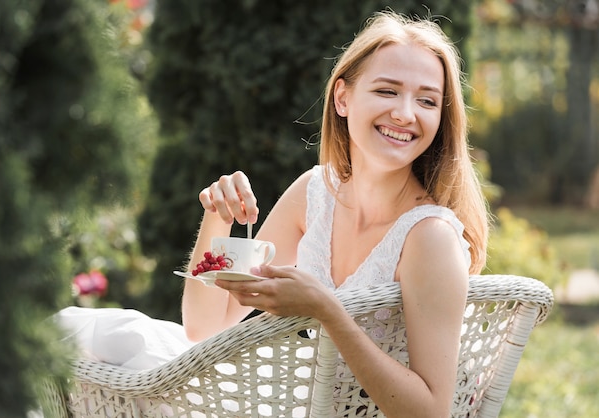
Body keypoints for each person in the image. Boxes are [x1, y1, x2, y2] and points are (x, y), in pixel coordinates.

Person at [54, 10, 489, 417]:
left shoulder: (430, 237)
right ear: (342, 97)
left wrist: (328, 312)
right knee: (97, 337)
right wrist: (219, 219)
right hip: (283, 399)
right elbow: (205, 326)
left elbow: (431, 410)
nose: (405, 113)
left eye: (428, 101)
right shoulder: (315, 194)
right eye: (386, 90)